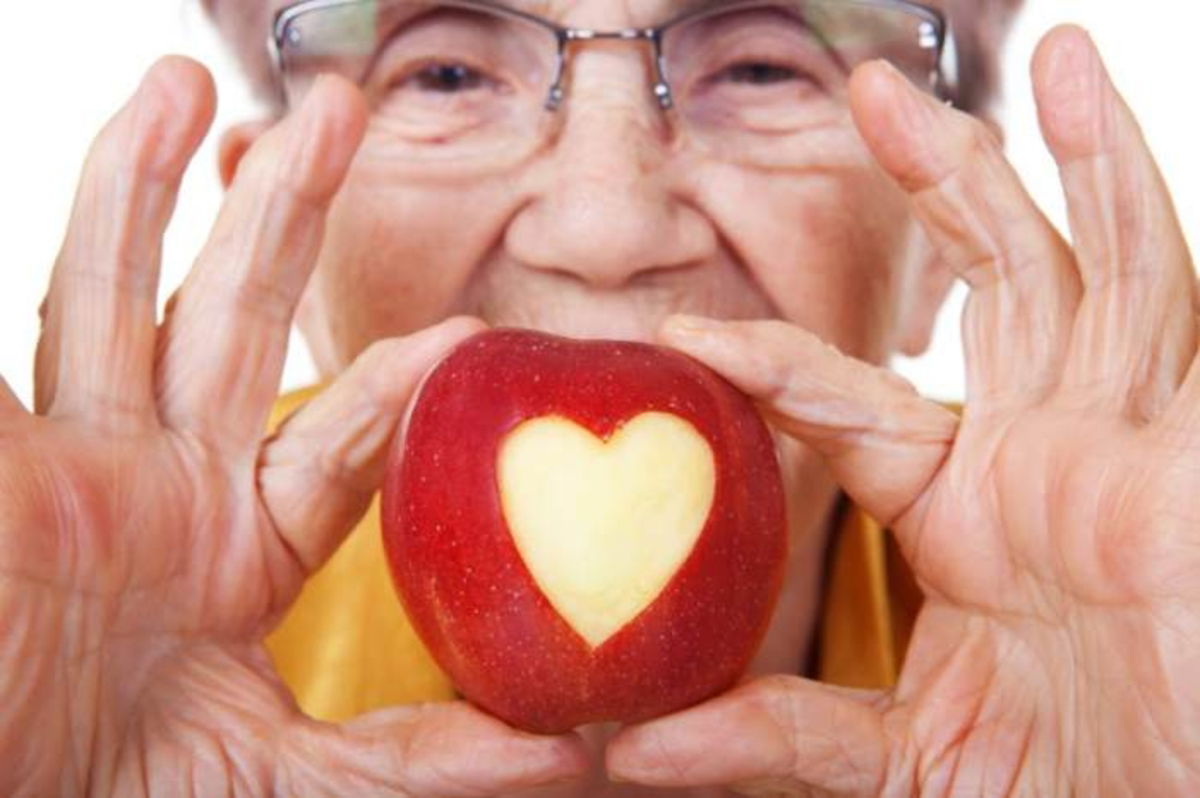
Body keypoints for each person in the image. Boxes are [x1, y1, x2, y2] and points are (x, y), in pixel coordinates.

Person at [3, 0, 1197, 794]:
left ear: (937, 235)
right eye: (450, 68)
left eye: (766, 61)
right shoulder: (84, 612)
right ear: (288, 235)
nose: (604, 224)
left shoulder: (1128, 610)